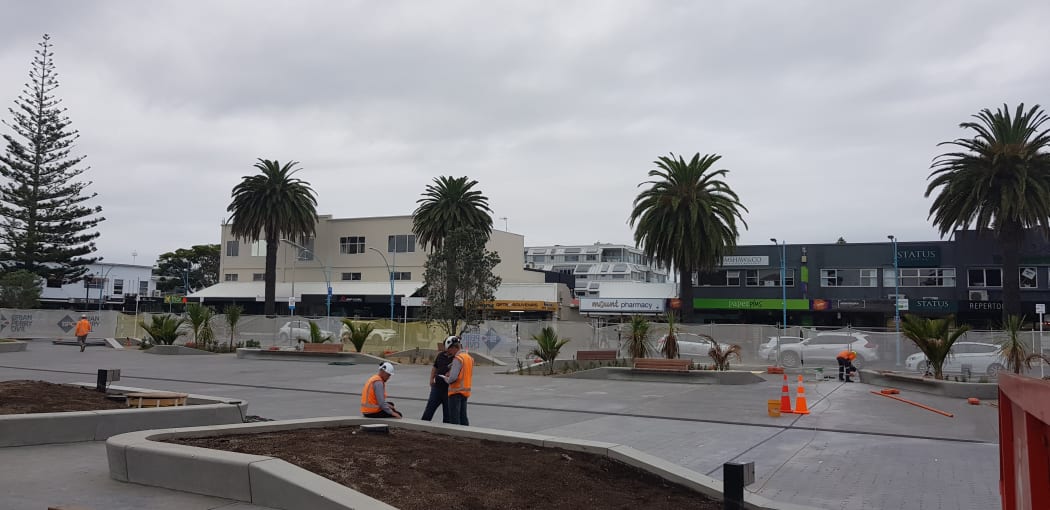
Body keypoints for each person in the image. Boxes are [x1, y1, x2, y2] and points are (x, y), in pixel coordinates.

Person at [439, 336, 473, 426]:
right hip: (465, 392)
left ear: (454, 347)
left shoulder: (458, 359)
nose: (449, 353)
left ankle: (456, 434)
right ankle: (466, 433)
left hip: (455, 392)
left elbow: (453, 378)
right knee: (463, 418)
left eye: (449, 350)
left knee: (455, 419)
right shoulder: (468, 357)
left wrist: (446, 378)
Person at [421, 338, 454, 422]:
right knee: (429, 410)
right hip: (437, 387)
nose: (447, 349)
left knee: (448, 414)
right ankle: (423, 425)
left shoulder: (456, 358)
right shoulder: (440, 355)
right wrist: (431, 378)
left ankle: (446, 428)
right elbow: (435, 367)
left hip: (449, 389)